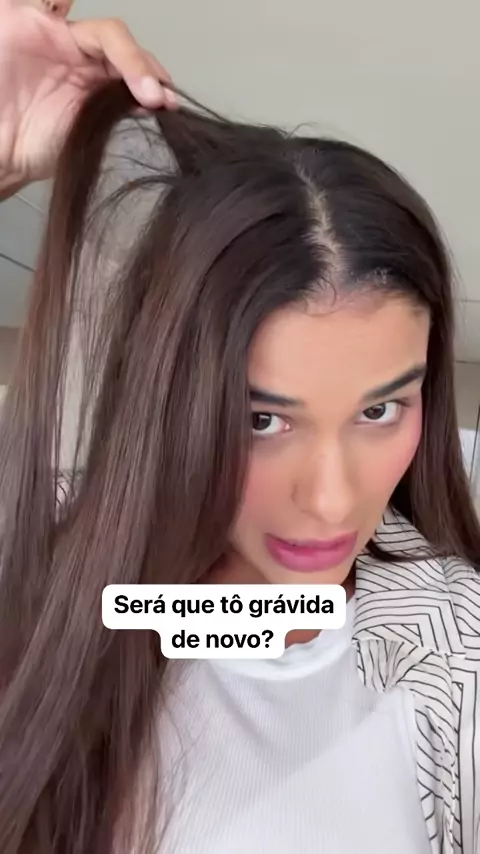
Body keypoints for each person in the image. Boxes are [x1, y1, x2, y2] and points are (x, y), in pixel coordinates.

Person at [0, 3, 479, 854]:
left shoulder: (452, 642)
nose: (331, 500)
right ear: (163, 396)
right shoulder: (39, 573)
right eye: (262, 419)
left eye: (379, 410)